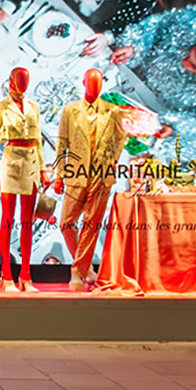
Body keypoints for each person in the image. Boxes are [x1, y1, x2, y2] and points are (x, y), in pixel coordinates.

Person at [52, 68, 126, 291]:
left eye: (99, 83)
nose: (95, 87)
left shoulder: (112, 111)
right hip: (76, 174)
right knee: (67, 223)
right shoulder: (70, 110)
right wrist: (59, 176)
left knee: (91, 225)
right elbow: (62, 144)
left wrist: (113, 158)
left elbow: (121, 137)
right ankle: (86, 268)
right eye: (91, 82)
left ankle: (77, 273)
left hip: (102, 175)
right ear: (83, 82)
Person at [0, 67, 44, 292]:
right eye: (19, 80)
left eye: (25, 81)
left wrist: (43, 170)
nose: (22, 85)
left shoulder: (33, 107)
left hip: (30, 162)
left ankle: (26, 274)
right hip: (10, 161)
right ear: (10, 81)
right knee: (8, 220)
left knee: (27, 222)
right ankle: (6, 275)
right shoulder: (2, 107)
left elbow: (38, 139)